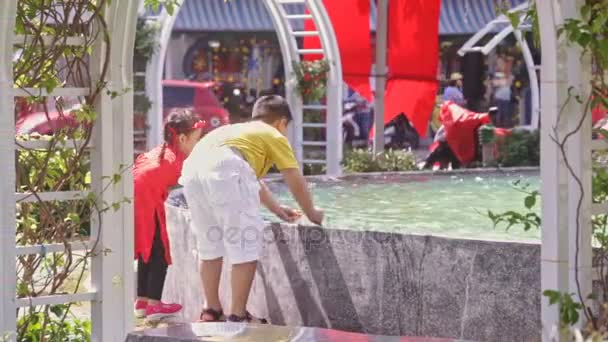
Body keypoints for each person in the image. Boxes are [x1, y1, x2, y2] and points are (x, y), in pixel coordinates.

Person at [180, 95, 324, 323]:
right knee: (245, 246)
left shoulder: (234, 131)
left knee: (209, 246)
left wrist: (277, 210)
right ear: (282, 122)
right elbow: (293, 176)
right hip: (226, 168)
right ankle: (238, 315)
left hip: (193, 171)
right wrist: (311, 213)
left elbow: (249, 179)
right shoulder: (274, 134)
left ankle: (211, 309)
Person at [133, 110, 206, 320]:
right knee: (160, 254)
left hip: (138, 200)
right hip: (148, 202)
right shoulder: (179, 160)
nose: (198, 145)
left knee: (147, 251)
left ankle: (142, 301)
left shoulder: (163, 151)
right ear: (182, 138)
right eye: (196, 140)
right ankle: (154, 305)